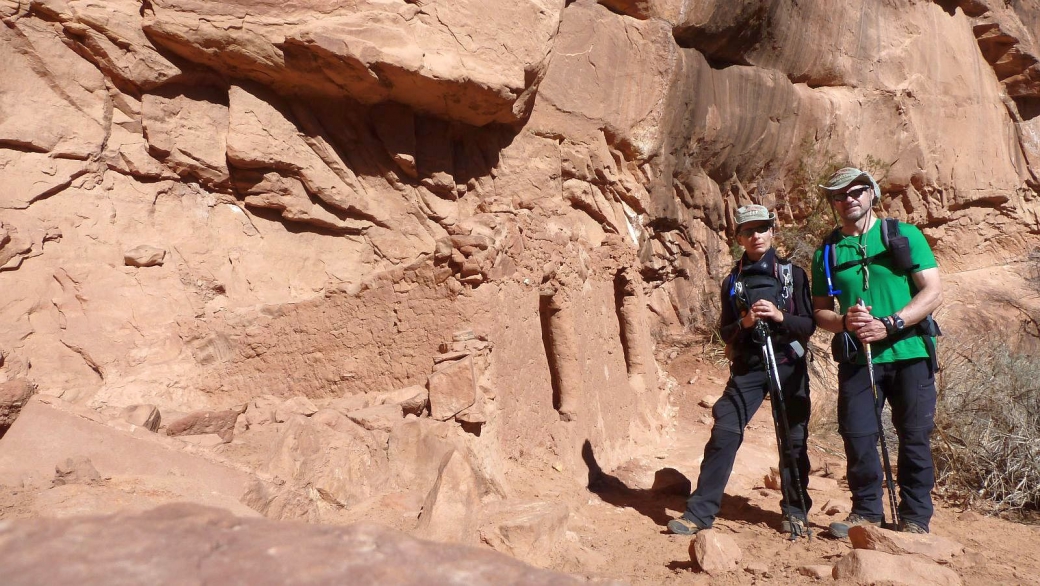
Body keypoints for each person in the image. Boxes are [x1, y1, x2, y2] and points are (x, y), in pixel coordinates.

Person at [668, 204, 815, 537]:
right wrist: (746, 322)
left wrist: (779, 317)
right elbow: (724, 332)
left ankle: (795, 510)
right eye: (748, 231)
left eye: (762, 228)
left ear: (772, 232)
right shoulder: (732, 281)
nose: (756, 236)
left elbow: (808, 325)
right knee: (725, 431)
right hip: (748, 367)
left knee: (793, 439)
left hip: (788, 364)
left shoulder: (794, 275)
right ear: (738, 238)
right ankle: (698, 513)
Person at [811, 167, 942, 537]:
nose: (847, 200)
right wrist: (844, 322)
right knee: (858, 434)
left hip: (909, 351)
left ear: (872, 194)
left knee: (913, 435)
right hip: (859, 357)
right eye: (838, 195)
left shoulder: (903, 235)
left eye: (855, 192)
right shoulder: (828, 250)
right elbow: (820, 310)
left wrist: (893, 323)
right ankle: (866, 512)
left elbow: (932, 292)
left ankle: (915, 518)